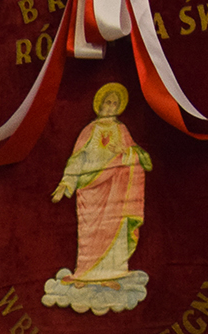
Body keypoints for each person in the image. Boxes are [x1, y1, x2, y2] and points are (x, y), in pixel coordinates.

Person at [44, 82, 153, 313]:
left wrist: (122, 154)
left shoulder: (122, 130)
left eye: (115, 103)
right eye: (107, 102)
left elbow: (136, 156)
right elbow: (77, 159)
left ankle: (112, 274)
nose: (110, 106)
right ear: (100, 105)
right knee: (90, 232)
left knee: (115, 229)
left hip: (116, 191)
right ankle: (86, 274)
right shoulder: (89, 130)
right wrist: (66, 184)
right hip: (90, 189)